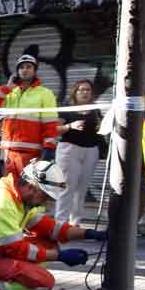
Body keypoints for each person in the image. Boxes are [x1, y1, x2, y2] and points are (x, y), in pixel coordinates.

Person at [0, 160, 106, 290]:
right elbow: (16, 249)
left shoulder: (19, 198)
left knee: (48, 242)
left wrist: (90, 234)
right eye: (45, 196)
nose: (45, 202)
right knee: (43, 283)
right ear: (32, 187)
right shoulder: (1, 204)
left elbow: (50, 228)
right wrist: (60, 256)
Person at [0, 53, 57, 177]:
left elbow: (50, 123)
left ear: (35, 71)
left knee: (25, 192)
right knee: (8, 191)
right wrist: (7, 88)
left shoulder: (45, 94)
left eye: (29, 67)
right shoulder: (10, 91)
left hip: (31, 152)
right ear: (17, 71)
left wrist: (49, 148)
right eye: (21, 67)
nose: (25, 70)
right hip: (7, 152)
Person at [55, 80, 104, 225]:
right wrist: (70, 126)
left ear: (92, 93)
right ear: (75, 92)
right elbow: (55, 129)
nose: (84, 92)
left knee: (82, 188)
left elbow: (100, 129)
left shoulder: (95, 109)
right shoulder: (67, 108)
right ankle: (60, 223)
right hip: (69, 150)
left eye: (87, 90)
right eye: (81, 90)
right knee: (67, 187)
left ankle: (75, 222)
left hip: (91, 151)